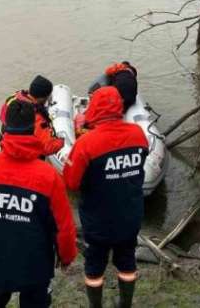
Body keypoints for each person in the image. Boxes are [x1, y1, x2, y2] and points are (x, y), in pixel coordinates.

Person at [0, 99, 77, 308]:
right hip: (35, 266)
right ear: (33, 129)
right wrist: (66, 257)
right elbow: (63, 227)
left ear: (4, 128)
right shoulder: (48, 176)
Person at [62, 86, 149, 308]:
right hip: (130, 216)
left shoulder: (87, 144)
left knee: (94, 268)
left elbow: (71, 182)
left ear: (95, 109)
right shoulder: (138, 135)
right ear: (119, 107)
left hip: (98, 220)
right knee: (127, 262)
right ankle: (125, 304)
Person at [0, 75, 63, 157]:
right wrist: (61, 141)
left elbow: (1, 116)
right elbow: (47, 148)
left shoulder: (13, 99)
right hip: (26, 156)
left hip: (7, 147)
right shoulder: (35, 116)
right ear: (43, 97)